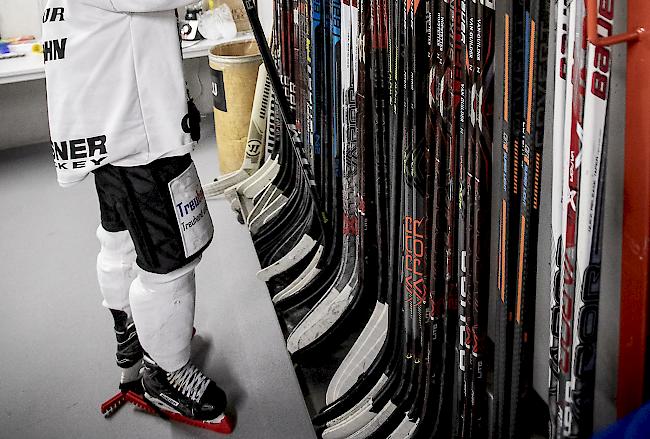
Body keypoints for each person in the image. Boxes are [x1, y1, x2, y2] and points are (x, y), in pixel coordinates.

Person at [41, 0, 230, 429]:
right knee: (170, 260)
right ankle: (165, 374)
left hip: (104, 128)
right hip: (138, 135)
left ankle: (134, 339)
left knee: (120, 237)